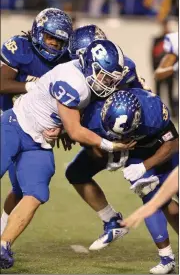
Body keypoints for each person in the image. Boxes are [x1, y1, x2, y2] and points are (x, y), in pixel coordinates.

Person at [0, 39, 134, 269]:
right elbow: (75, 130)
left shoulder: (84, 79)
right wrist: (111, 146)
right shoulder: (75, 82)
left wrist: (60, 128)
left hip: (38, 142)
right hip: (15, 125)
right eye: (104, 76)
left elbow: (68, 122)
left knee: (36, 192)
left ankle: (3, 245)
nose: (107, 83)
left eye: (111, 78)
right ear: (90, 65)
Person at [65, 88, 178, 274]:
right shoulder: (92, 112)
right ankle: (166, 257)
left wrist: (144, 166)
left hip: (156, 152)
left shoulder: (152, 110)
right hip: (131, 153)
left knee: (166, 199)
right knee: (151, 195)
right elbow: (88, 142)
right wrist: (110, 155)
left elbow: (173, 143)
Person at [0, 7, 73, 236]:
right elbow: (2, 83)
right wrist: (32, 86)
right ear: (38, 32)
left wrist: (65, 130)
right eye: (50, 37)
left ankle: (3, 230)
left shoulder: (66, 62)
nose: (53, 44)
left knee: (22, 189)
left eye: (59, 41)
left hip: (36, 130)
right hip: (6, 118)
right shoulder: (20, 47)